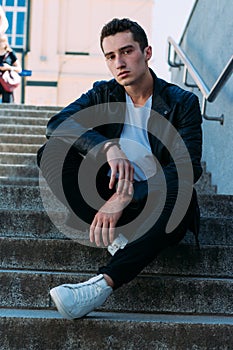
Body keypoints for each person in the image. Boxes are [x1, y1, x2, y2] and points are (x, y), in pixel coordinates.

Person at [37, 18, 202, 320]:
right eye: (111, 56)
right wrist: (107, 148)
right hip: (110, 200)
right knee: (52, 151)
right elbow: (56, 125)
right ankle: (117, 240)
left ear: (147, 52)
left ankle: (100, 285)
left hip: (161, 208)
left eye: (127, 51)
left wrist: (130, 195)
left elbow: (188, 166)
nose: (119, 62)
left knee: (182, 188)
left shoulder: (182, 102)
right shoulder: (104, 93)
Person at [0, 34, 22, 103]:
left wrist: (8, 67)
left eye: (2, 41)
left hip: (6, 82)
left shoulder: (10, 54)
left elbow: (19, 69)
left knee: (7, 103)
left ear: (6, 42)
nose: (1, 43)